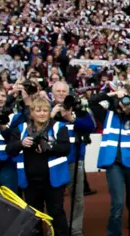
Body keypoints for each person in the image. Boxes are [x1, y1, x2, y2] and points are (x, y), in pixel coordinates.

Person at [6, 96, 71, 236]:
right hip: (30, 182)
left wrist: (50, 146)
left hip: (54, 181)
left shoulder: (59, 127)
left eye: (45, 110)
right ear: (32, 113)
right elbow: (9, 149)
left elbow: (66, 149)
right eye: (38, 110)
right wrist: (20, 143)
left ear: (49, 112)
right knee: (33, 217)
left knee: (56, 213)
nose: (42, 113)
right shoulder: (20, 129)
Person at [89, 90, 130, 236]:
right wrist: (114, 94)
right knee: (118, 204)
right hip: (113, 162)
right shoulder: (107, 114)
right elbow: (92, 102)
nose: (127, 105)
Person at [50, 81, 96, 236]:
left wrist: (72, 118)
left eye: (64, 91)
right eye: (58, 91)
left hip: (75, 159)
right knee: (54, 198)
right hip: (54, 160)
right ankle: (56, 229)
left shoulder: (78, 107)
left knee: (77, 196)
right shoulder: (47, 108)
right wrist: (52, 115)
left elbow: (91, 126)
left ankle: (76, 229)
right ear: (53, 93)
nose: (61, 94)